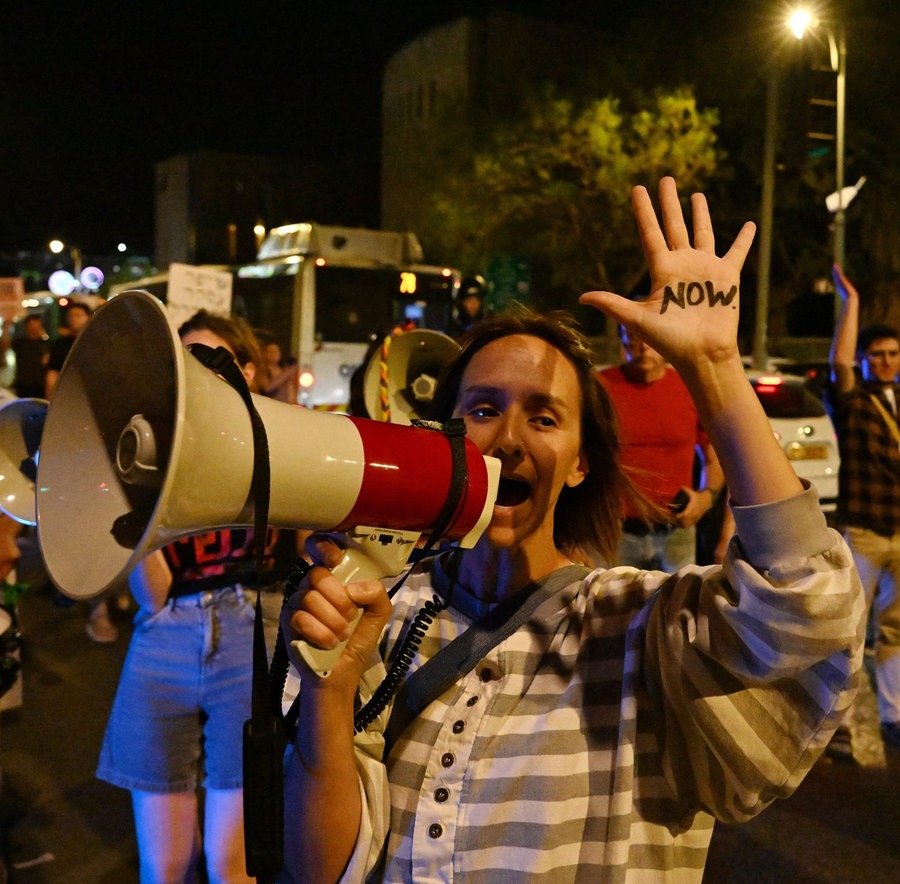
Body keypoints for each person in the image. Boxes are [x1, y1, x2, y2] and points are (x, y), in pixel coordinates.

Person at [279, 178, 865, 882]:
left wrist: (713, 369)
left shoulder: (640, 628)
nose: (510, 439)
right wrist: (330, 692)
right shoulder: (381, 619)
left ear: (582, 462)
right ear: (445, 432)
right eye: (484, 408)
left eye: (545, 416)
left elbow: (811, 606)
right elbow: (321, 869)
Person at [96, 309, 296, 883]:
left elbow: (306, 552)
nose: (197, 374)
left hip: (249, 631)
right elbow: (153, 597)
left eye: (213, 359)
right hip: (166, 633)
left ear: (251, 371)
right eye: (185, 362)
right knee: (163, 865)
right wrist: (131, 504)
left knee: (229, 864)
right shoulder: (158, 457)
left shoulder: (284, 440)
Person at [824, 263, 900, 758]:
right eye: (878, 355)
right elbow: (840, 367)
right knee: (850, 630)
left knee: (895, 629)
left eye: (893, 353)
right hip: (866, 530)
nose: (887, 361)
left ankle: (894, 715)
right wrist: (851, 305)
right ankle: (840, 725)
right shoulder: (855, 403)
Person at [597, 319, 725, 571]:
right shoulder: (600, 387)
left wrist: (705, 498)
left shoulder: (689, 386)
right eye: (633, 337)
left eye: (651, 337)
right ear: (622, 339)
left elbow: (714, 453)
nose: (643, 347)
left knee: (677, 606)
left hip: (676, 529)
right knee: (614, 607)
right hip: (617, 532)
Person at [45, 299, 93, 398]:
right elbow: (53, 372)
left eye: (78, 315)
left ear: (88, 317)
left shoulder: (96, 342)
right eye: (71, 316)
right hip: (68, 394)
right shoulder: (61, 344)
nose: (73, 319)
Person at [10, 314, 50, 398]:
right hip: (23, 384)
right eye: (32, 325)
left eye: (37, 325)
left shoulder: (46, 344)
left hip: (41, 385)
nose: (34, 328)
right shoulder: (20, 342)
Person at [258, 332, 299, 404]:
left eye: (276, 351)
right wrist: (287, 373)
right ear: (264, 354)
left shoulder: (283, 369)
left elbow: (293, 389)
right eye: (270, 351)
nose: (274, 354)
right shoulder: (262, 370)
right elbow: (267, 388)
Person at [447, 275, 487, 339]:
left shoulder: (486, 327)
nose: (473, 305)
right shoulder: (453, 329)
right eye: (469, 301)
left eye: (476, 300)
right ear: (461, 303)